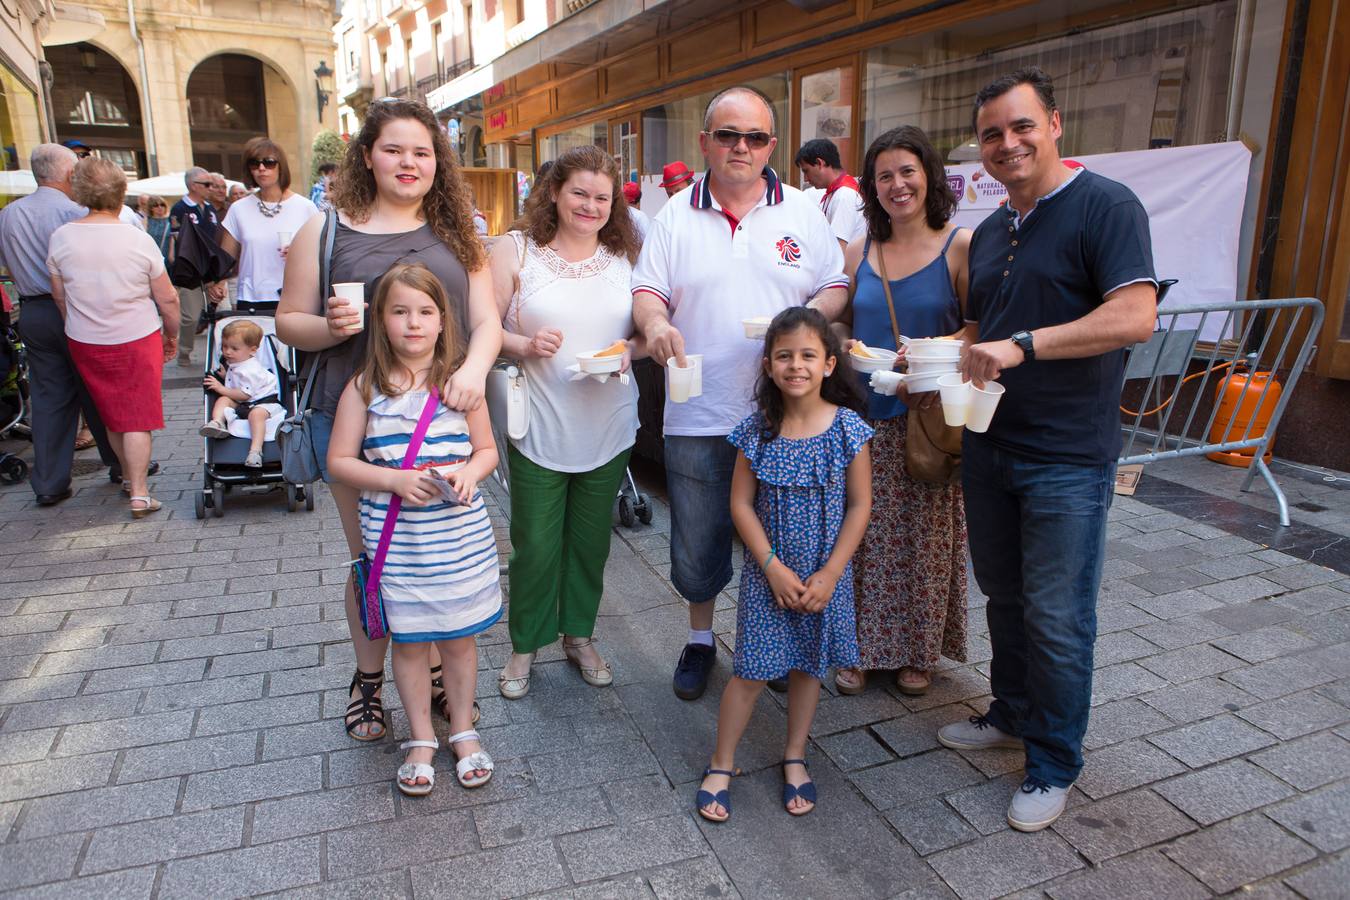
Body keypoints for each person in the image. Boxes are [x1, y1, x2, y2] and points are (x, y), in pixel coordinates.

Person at [936, 67, 1157, 832]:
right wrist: (928, 353)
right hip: (992, 443)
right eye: (992, 133)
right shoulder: (995, 228)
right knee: (1005, 594)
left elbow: (1134, 316)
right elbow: (980, 330)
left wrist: (1024, 346)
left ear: (1055, 124)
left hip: (1067, 454)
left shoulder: (1105, 205)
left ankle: (1055, 761)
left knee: (1059, 615)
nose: (1008, 143)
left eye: (1021, 126)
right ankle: (1013, 711)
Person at [278, 96, 500, 743]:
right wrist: (327, 326)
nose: (408, 162)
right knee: (373, 562)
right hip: (355, 422)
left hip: (444, 422)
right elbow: (288, 321)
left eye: (422, 152)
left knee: (436, 559)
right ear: (367, 156)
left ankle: (434, 676)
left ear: (439, 162)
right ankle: (370, 682)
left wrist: (473, 371)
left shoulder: (461, 233)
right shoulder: (325, 231)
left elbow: (486, 322)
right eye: (394, 149)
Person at [632, 85, 848, 700]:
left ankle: (774, 646)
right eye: (728, 135)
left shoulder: (803, 211)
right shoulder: (675, 214)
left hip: (786, 415)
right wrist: (656, 324)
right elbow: (647, 291)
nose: (741, 147)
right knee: (697, 540)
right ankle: (701, 640)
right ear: (705, 142)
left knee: (781, 539)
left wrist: (807, 318)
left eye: (754, 137)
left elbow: (836, 282)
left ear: (771, 145)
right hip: (699, 409)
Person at [327, 262, 500, 795]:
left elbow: (488, 451)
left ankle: (464, 730)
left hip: (459, 543)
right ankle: (421, 737)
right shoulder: (364, 388)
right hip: (398, 546)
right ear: (380, 319)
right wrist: (395, 480)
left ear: (444, 321)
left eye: (425, 312)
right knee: (408, 645)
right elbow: (338, 462)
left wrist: (469, 472)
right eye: (399, 311)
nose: (413, 323)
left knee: (460, 643)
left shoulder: (461, 386)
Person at [695, 307, 871, 822]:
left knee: (808, 668)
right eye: (784, 356)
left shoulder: (848, 431)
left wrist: (833, 573)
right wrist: (771, 566)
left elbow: (860, 506)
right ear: (769, 365)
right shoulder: (757, 432)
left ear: (830, 365)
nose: (797, 365)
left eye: (808, 355)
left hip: (825, 575)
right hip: (768, 576)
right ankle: (721, 762)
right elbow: (740, 505)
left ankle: (795, 755)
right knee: (750, 672)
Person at [489, 145, 643, 700]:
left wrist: (631, 347)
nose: (591, 205)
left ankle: (578, 636)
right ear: (554, 191)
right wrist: (524, 343)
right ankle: (525, 644)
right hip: (539, 422)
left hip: (610, 422)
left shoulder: (628, 255)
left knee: (590, 541)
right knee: (533, 543)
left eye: (603, 196)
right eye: (580, 192)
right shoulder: (514, 251)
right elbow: (482, 327)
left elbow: (649, 329)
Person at [836, 126, 970, 697]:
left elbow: (978, 329)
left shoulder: (959, 245)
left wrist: (938, 355)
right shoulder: (859, 249)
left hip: (928, 418)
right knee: (860, 535)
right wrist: (842, 344)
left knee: (926, 539)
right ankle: (859, 648)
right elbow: (843, 319)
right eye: (884, 175)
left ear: (929, 176)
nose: (897, 185)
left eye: (907, 172)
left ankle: (918, 652)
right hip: (865, 417)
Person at [45, 157, 180, 518]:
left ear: (80, 190)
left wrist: (76, 325)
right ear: (121, 192)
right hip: (136, 335)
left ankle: (126, 477)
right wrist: (172, 334)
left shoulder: (61, 237)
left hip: (86, 338)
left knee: (112, 415)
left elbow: (60, 296)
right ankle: (139, 491)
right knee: (137, 416)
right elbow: (167, 298)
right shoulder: (136, 238)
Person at [0, 143, 122, 505]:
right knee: (97, 389)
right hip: (75, 306)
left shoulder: (8, 214)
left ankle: (50, 481)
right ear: (70, 174)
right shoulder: (74, 213)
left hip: (32, 311)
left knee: (48, 397)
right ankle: (121, 462)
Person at [218, 137, 319, 309]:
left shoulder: (305, 207)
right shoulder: (238, 209)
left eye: (269, 162)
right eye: (254, 163)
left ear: (281, 166)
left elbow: (321, 254)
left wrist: (298, 254)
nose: (261, 169)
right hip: (252, 297)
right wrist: (218, 282)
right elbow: (224, 258)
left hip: (296, 295)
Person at [199, 319, 285, 467]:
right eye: (224, 346)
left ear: (252, 350)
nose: (227, 352)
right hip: (244, 403)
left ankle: (255, 451)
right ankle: (217, 422)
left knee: (255, 415)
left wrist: (220, 388)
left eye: (234, 348)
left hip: (265, 403)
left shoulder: (250, 370)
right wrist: (226, 376)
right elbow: (238, 385)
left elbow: (245, 394)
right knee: (223, 400)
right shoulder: (236, 364)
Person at [169, 167, 225, 365]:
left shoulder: (208, 208)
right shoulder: (180, 209)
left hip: (212, 269)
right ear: (194, 186)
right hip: (191, 270)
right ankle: (184, 351)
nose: (212, 188)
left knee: (222, 312)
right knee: (190, 317)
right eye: (207, 184)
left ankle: (223, 352)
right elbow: (180, 241)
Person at [795, 138, 866, 250]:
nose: (805, 179)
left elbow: (837, 252)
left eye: (806, 171)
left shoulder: (845, 195)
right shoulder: (835, 192)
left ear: (820, 163)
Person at [145, 195, 173, 263]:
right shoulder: (146, 221)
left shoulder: (170, 220)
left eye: (162, 205)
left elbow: (173, 238)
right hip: (150, 256)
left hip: (167, 256)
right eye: (156, 205)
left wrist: (171, 254)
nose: (160, 207)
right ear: (151, 208)